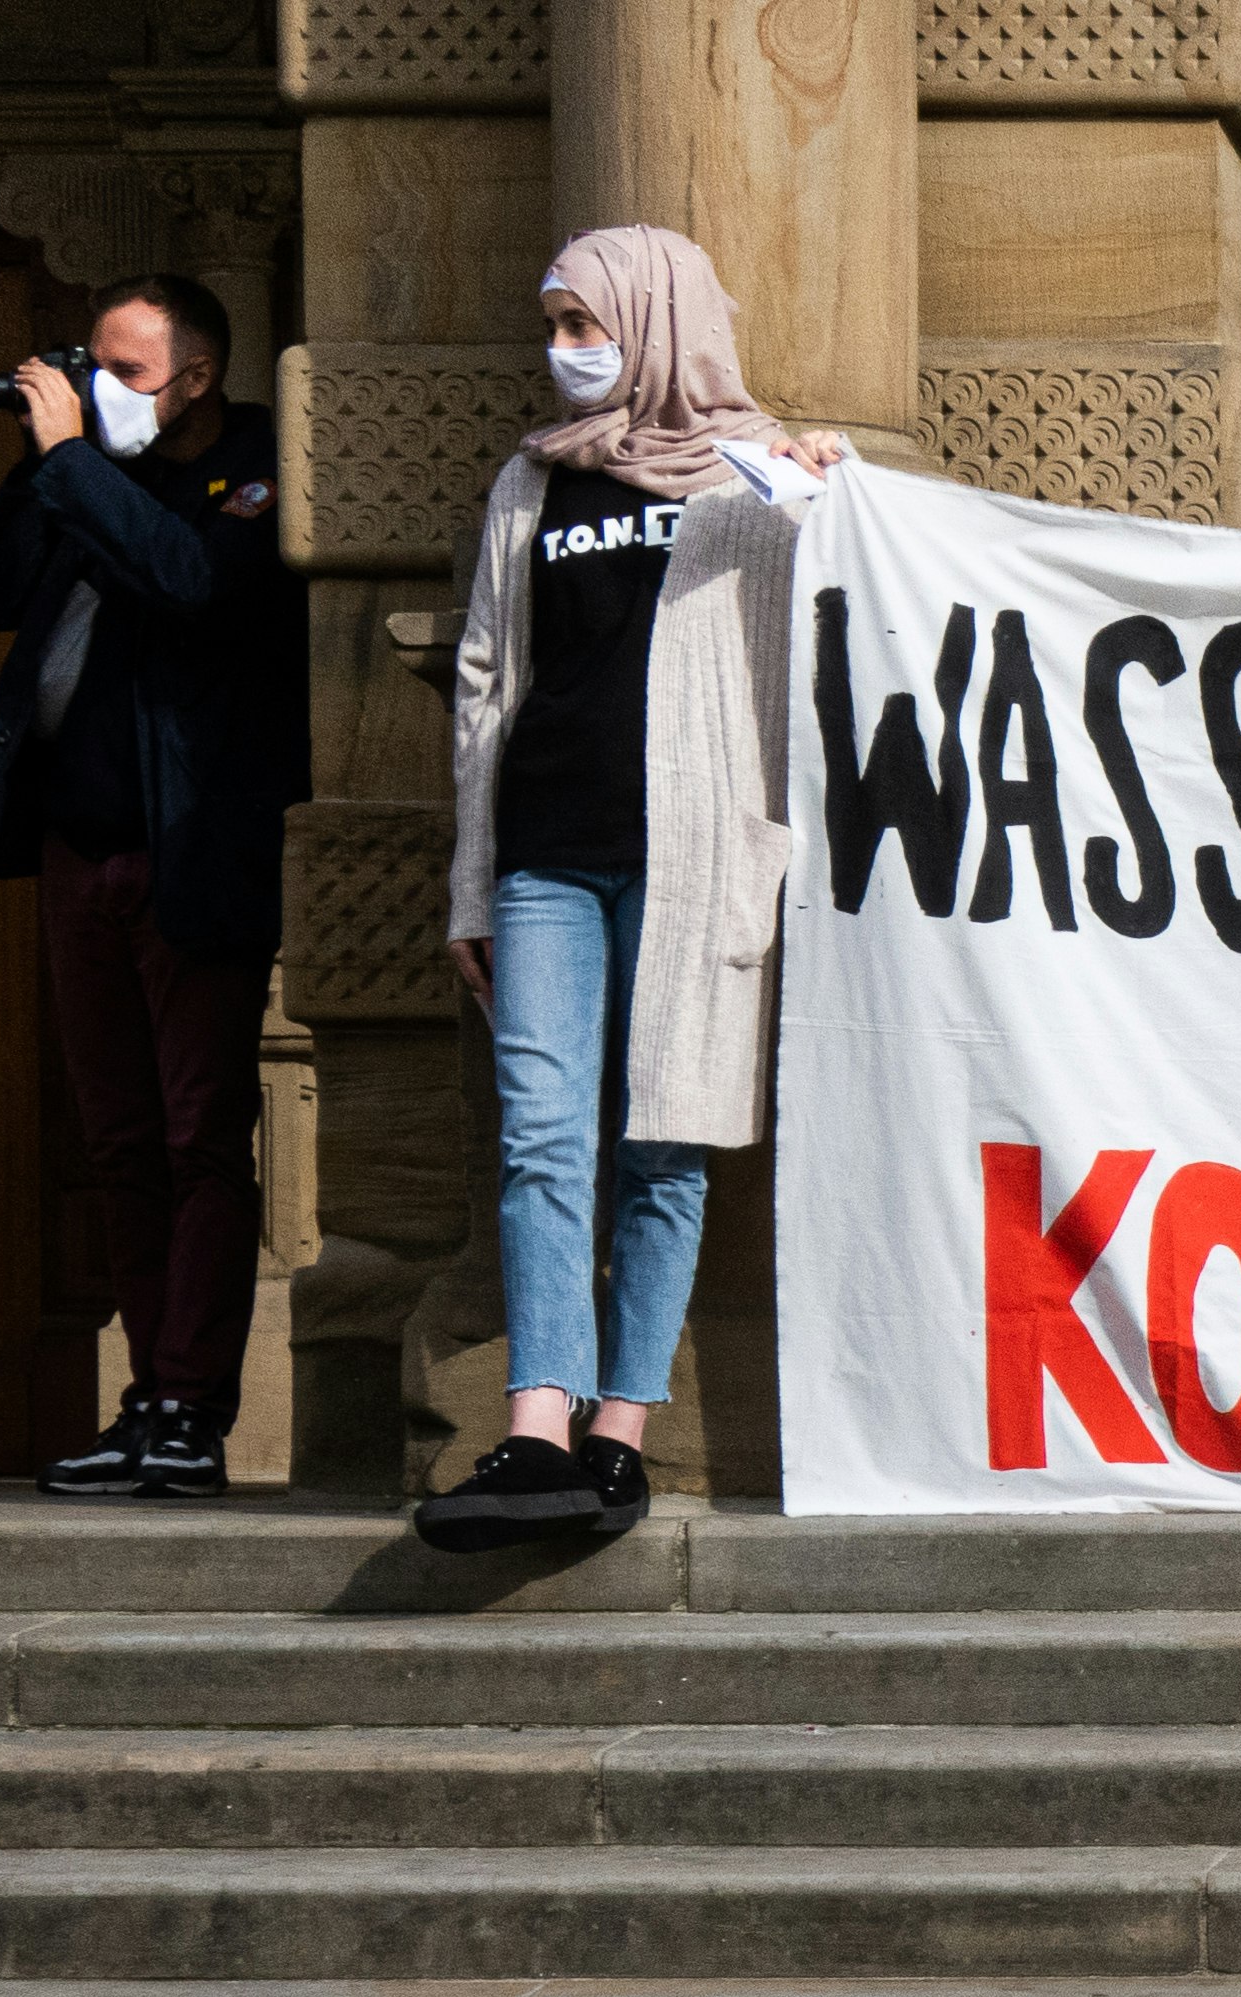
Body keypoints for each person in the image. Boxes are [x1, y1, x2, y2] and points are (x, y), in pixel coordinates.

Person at [417, 228, 840, 1554]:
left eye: (582, 323)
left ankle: (619, 1439)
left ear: (657, 322)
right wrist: (470, 884)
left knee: (665, 1143)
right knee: (543, 1136)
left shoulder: (763, 482)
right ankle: (536, 1423)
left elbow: (858, 625)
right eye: (551, 325)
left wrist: (842, 490)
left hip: (698, 861)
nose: (563, 351)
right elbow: (487, 682)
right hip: (547, 852)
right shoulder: (529, 484)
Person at [0, 270, 308, 1500]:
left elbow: (191, 582)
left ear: (199, 378)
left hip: (189, 847)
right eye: (92, 366)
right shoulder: (80, 469)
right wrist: (52, 461)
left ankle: (192, 1409)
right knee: (116, 1141)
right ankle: (143, 1396)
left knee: (196, 1132)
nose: (105, 390)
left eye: (132, 372)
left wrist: (78, 464)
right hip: (76, 849)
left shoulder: (259, 469)